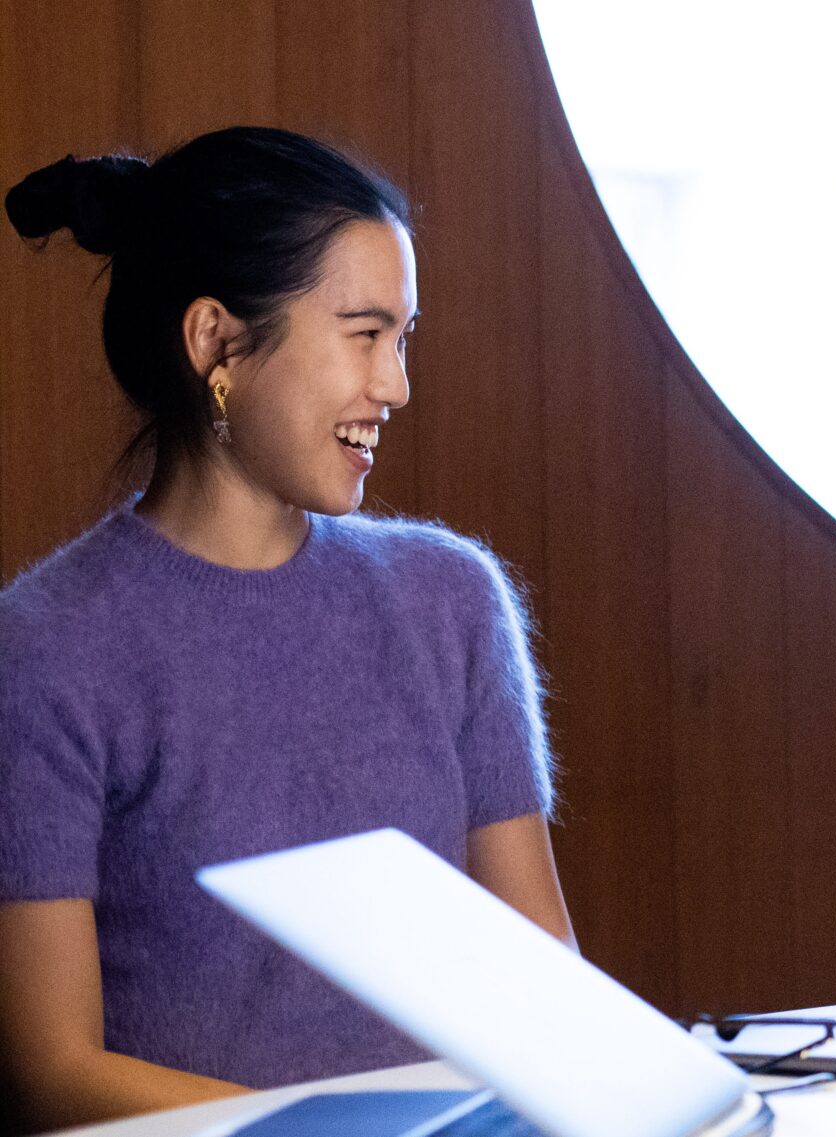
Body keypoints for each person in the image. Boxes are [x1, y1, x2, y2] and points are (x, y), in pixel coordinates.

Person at [0, 127, 572, 1130]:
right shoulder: (45, 649)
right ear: (216, 342)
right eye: (363, 334)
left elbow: (545, 999)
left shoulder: (452, 602)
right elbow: (52, 1074)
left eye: (404, 338)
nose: (395, 387)